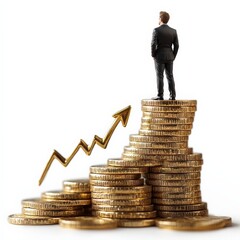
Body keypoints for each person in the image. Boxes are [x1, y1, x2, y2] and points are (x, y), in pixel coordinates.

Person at [151, 11, 179, 100]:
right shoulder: (173, 31)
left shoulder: (156, 30)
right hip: (170, 56)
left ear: (160, 19)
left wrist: (153, 55)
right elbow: (177, 45)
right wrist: (173, 56)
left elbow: (153, 44)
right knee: (170, 75)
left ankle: (160, 95)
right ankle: (173, 96)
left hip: (159, 56)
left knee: (160, 76)